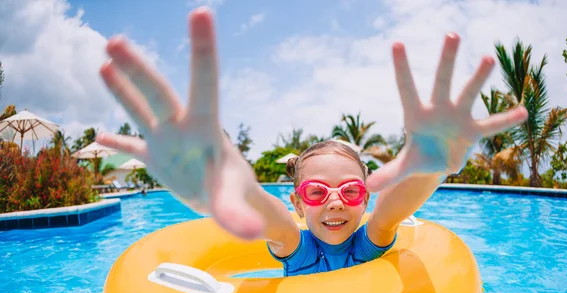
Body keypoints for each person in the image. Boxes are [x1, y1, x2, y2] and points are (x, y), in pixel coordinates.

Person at [96, 8, 527, 276]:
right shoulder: (297, 248)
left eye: (351, 190)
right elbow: (272, 221)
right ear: (299, 205)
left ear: (363, 197)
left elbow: (393, 209)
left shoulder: (368, 240)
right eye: (317, 192)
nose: (336, 203)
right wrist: (226, 189)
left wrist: (435, 164)